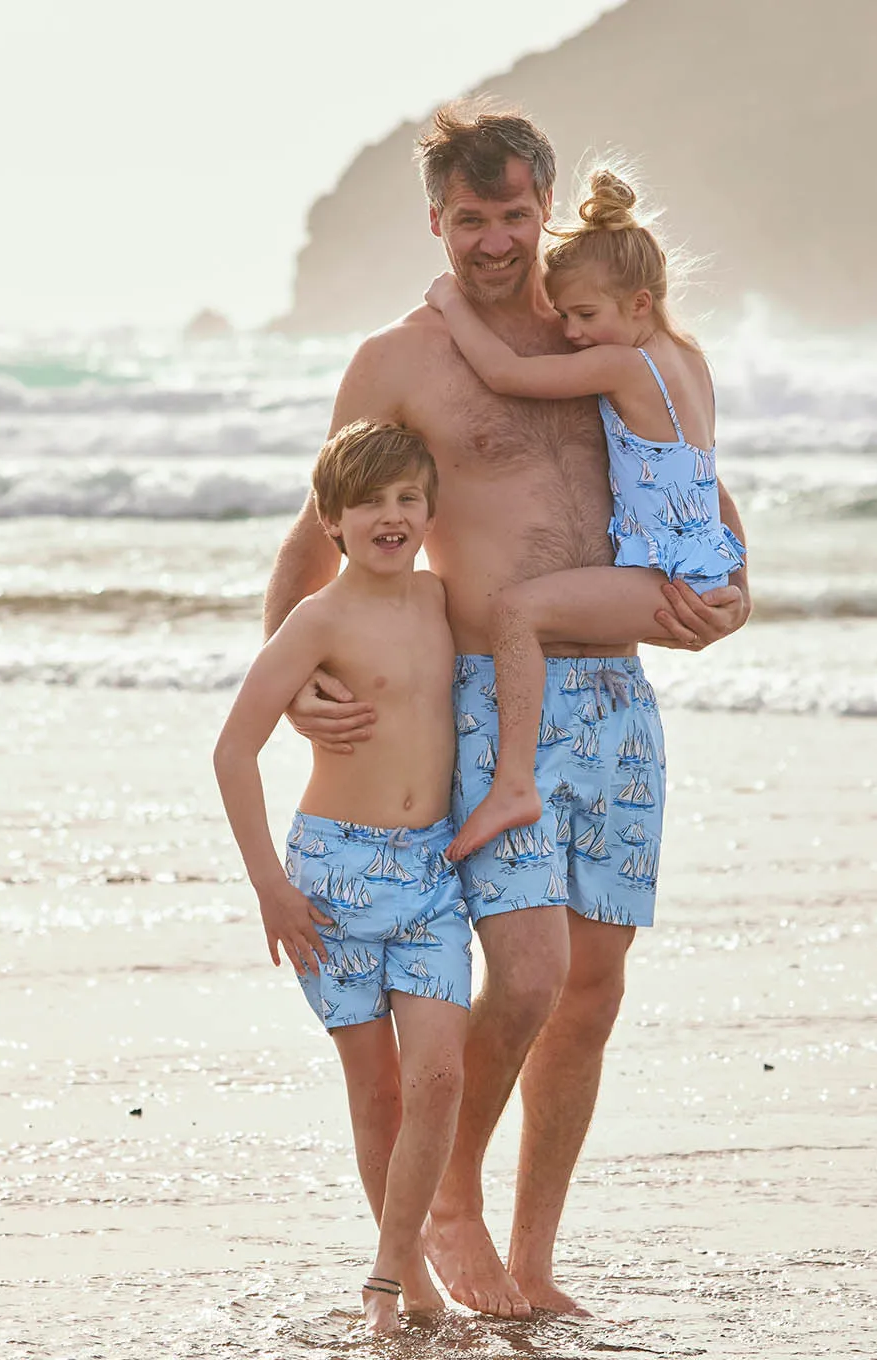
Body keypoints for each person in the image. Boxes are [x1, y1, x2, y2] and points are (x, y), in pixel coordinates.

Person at [264, 104, 751, 1319]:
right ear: (436, 220)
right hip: (493, 698)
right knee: (527, 973)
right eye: (468, 218)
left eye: (513, 214)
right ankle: (450, 1201)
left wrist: (734, 579)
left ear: (544, 210)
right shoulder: (399, 359)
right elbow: (314, 526)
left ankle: (533, 1259)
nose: (492, 240)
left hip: (617, 698)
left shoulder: (601, 331)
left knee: (592, 990)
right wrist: (295, 682)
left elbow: (690, 471)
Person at [214, 420, 472, 1336]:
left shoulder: (447, 601)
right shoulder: (317, 619)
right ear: (331, 518)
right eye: (369, 502)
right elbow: (233, 751)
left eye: (408, 498)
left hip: (431, 870)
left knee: (440, 1074)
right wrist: (269, 889)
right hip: (333, 875)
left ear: (431, 510)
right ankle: (407, 1280)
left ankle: (385, 1276)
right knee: (378, 1089)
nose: (391, 516)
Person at [424, 168, 746, 860]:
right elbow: (710, 484)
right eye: (563, 315)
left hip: (665, 576)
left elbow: (507, 375)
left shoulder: (625, 366)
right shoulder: (689, 359)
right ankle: (518, 782)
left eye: (584, 316)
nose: (571, 332)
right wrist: (740, 584)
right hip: (702, 567)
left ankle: (512, 783)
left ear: (638, 303)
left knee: (514, 612)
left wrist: (451, 304)